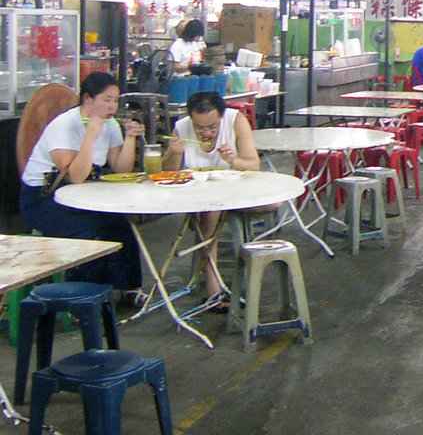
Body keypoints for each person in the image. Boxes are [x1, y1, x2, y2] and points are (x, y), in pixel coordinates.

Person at [20, 72, 144, 295]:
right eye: (107, 100)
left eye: (115, 100)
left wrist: (130, 139)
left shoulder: (111, 125)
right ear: (88, 99)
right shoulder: (64, 125)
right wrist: (90, 135)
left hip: (82, 195)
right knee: (90, 231)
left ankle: (130, 290)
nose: (112, 106)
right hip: (43, 198)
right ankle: (83, 295)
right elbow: (75, 176)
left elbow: (121, 169)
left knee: (120, 224)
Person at [164, 91, 261, 308]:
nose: (206, 132)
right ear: (191, 119)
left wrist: (233, 160)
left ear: (221, 117)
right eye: (200, 128)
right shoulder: (181, 128)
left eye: (212, 127)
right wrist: (174, 153)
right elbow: (167, 172)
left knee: (210, 217)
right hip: (201, 194)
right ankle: (214, 290)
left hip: (236, 190)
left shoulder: (235, 120)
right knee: (209, 214)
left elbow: (254, 165)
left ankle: (213, 290)